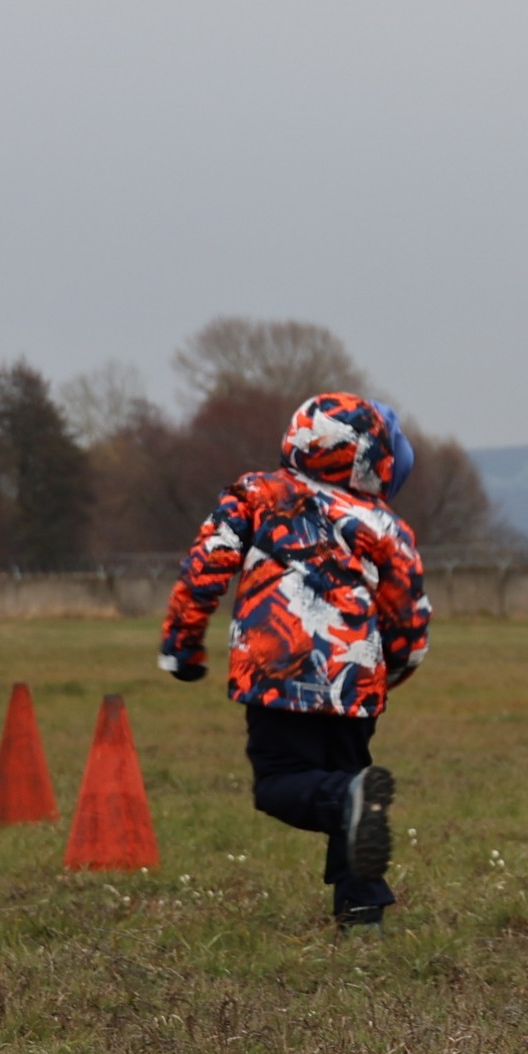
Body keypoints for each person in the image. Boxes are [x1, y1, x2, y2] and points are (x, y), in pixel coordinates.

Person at [161, 393, 433, 929]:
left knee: (281, 783)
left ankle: (350, 800)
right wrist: (391, 672)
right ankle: (363, 909)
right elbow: (410, 618)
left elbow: (206, 567)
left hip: (276, 673)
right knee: (345, 779)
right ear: (369, 458)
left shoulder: (257, 494)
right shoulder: (383, 525)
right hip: (354, 679)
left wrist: (182, 644)